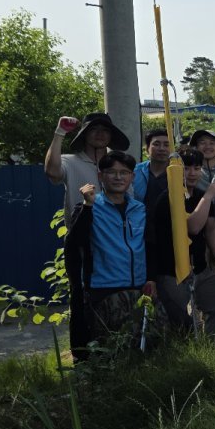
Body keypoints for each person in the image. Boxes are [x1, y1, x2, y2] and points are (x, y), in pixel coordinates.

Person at [64, 152, 157, 359]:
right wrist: (88, 206)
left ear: (132, 177)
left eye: (124, 172)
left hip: (137, 287)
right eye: (111, 172)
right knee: (104, 346)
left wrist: (151, 277)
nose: (118, 177)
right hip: (102, 288)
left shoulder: (140, 209)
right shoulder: (89, 206)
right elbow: (75, 242)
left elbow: (149, 247)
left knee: (137, 344)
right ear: (100, 176)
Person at [147, 147, 215, 334]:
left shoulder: (200, 195)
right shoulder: (168, 199)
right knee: (182, 322)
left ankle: (214, 349)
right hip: (172, 271)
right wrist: (208, 196)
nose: (192, 173)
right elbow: (193, 227)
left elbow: (210, 227)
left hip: (201, 267)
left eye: (197, 168)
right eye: (187, 168)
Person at [46, 112, 130, 224]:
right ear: (84, 134)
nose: (100, 133)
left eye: (105, 130)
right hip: (81, 235)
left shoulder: (120, 164)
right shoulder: (69, 161)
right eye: (94, 129)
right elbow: (52, 172)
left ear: (111, 136)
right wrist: (60, 132)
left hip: (117, 236)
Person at [132, 128, 171, 209]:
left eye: (166, 145)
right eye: (156, 144)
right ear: (147, 148)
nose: (162, 149)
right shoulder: (134, 172)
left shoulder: (180, 173)